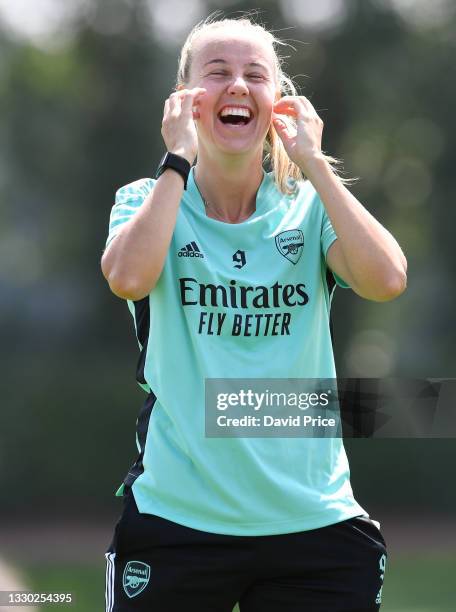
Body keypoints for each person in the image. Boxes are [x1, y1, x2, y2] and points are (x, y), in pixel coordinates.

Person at [101, 14, 406, 612]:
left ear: (278, 103)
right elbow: (128, 277)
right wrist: (177, 161)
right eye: (217, 73)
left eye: (255, 75)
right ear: (184, 99)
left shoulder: (310, 208)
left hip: (314, 523)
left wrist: (316, 164)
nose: (237, 85)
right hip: (175, 523)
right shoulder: (146, 199)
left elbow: (388, 280)